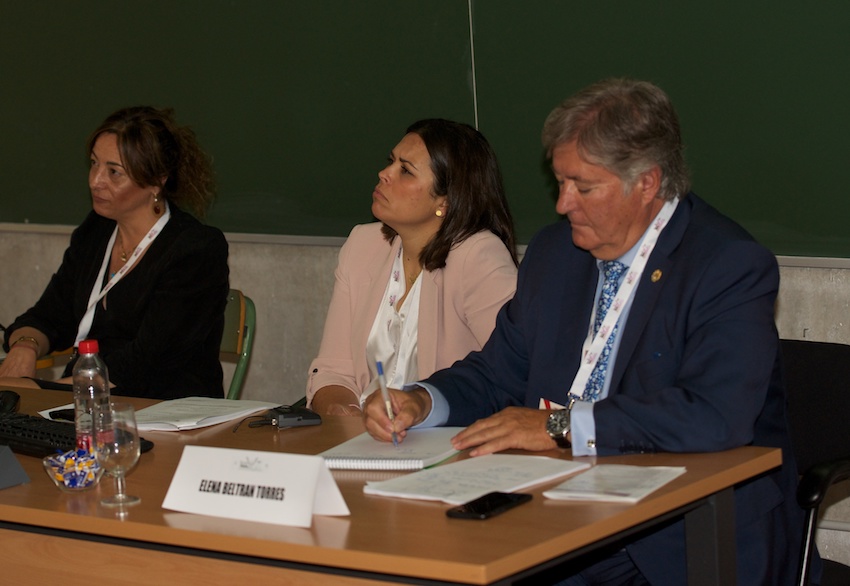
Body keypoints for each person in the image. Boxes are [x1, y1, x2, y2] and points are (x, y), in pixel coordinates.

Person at [363, 80, 808, 584]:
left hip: (679, 534)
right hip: (555, 511)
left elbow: (714, 415)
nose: (562, 204)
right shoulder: (556, 256)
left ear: (647, 183)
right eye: (560, 183)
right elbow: (496, 373)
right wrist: (422, 400)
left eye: (584, 187)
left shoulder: (726, 264)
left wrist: (560, 428)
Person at [0, 106, 229, 399]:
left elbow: (147, 363)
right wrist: (26, 346)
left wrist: (44, 391)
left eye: (113, 172)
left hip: (162, 410)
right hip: (87, 400)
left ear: (156, 179)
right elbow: (48, 315)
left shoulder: (195, 249)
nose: (96, 180)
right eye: (94, 164)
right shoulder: (97, 230)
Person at [307, 119, 518, 415]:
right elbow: (332, 370)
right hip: (368, 439)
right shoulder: (362, 245)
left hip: (448, 441)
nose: (384, 174)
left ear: (444, 200)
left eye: (405, 170)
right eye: (390, 162)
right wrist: (345, 415)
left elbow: (514, 376)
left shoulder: (478, 257)